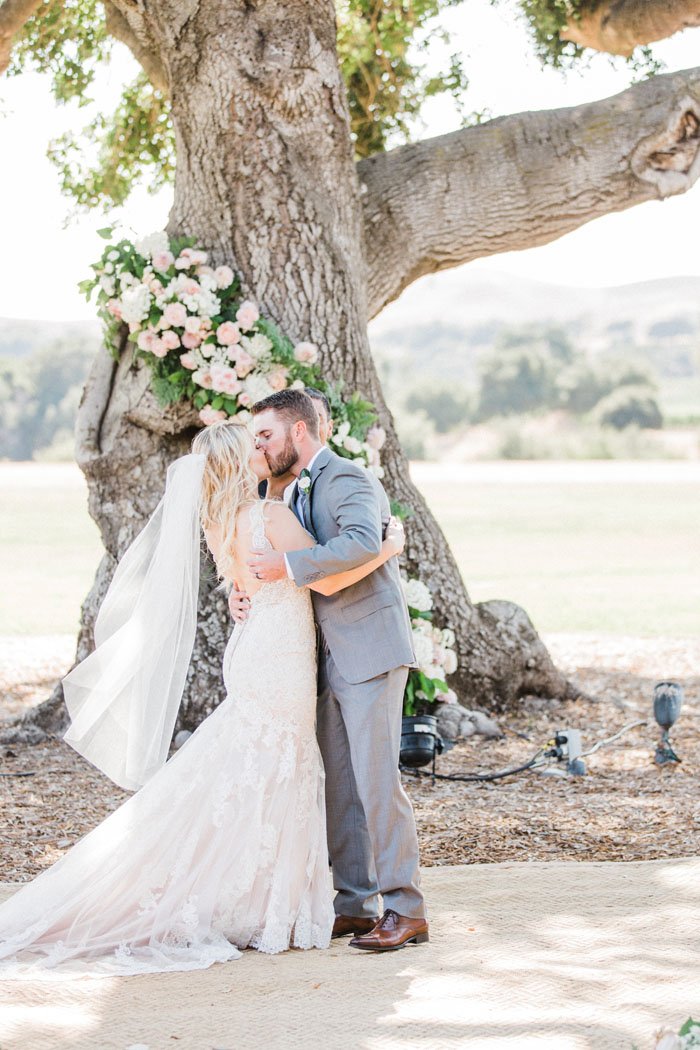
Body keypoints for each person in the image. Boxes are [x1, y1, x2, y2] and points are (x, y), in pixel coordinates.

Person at [0, 422, 405, 976]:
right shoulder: (269, 517)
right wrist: (389, 545)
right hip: (278, 658)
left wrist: (245, 595)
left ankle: (259, 898)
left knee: (251, 766)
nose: (264, 450)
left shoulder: (219, 522)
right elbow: (329, 581)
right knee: (280, 767)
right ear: (240, 463)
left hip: (253, 650)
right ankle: (267, 905)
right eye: (254, 446)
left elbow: (249, 582)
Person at [243, 389, 428, 952]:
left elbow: (360, 543)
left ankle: (406, 909)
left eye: (266, 435)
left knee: (377, 783)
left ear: (300, 432)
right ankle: (353, 905)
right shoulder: (279, 490)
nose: (260, 445)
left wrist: (288, 564)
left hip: (368, 648)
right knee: (340, 787)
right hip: (319, 656)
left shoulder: (345, 478)